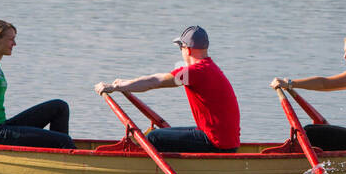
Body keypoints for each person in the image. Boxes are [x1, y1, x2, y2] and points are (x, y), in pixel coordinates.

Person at [94, 26, 240, 153]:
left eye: (180, 47)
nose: (180, 52)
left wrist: (115, 87)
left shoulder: (194, 72)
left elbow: (154, 82)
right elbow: (156, 79)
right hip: (223, 139)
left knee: (154, 137)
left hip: (217, 144)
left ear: (187, 50)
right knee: (159, 133)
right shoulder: (209, 67)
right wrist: (125, 83)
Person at [0, 20, 75, 149]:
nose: (14, 44)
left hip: (2, 126)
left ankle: (58, 157)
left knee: (59, 107)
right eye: (11, 39)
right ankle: (67, 157)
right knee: (63, 140)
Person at [270, 33, 346, 151]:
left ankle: (289, 160)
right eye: (345, 51)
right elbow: (328, 87)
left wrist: (290, 83)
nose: (345, 56)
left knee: (309, 131)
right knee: (317, 132)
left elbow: (324, 83)